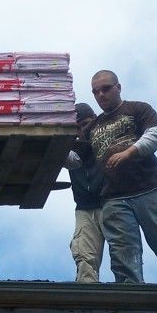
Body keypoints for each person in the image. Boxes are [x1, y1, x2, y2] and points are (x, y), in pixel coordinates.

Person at [89, 69, 157, 284]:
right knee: (123, 254)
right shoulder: (93, 126)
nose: (101, 95)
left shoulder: (138, 109)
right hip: (114, 198)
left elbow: (156, 136)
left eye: (106, 89)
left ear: (118, 87)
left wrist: (128, 152)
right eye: (96, 92)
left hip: (150, 190)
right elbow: (75, 158)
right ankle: (130, 302)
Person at [65, 103, 106, 282]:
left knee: (122, 249)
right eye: (78, 127)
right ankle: (87, 294)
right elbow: (67, 158)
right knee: (84, 255)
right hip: (84, 207)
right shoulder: (70, 149)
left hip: (110, 201)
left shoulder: (106, 139)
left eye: (86, 124)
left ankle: (128, 292)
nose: (83, 130)